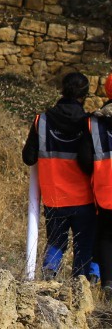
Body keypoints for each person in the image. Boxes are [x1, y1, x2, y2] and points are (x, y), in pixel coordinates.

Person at [26, 71, 96, 278]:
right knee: (84, 243)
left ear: (62, 90)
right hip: (84, 197)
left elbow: (29, 158)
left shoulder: (42, 121)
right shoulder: (88, 124)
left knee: (56, 241)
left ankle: (49, 274)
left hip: (54, 196)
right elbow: (88, 162)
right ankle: (80, 286)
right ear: (84, 95)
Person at [88, 74, 112, 278]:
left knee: (105, 236)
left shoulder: (95, 122)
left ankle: (108, 283)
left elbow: (86, 159)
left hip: (105, 191)